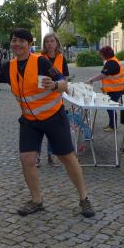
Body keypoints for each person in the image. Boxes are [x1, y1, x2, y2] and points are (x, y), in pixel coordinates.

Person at [0, 28, 96, 218]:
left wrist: (55, 85)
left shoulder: (41, 62)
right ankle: (36, 200)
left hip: (53, 117)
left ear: (29, 44)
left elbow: (63, 83)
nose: (17, 44)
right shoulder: (8, 67)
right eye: (14, 40)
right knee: (27, 159)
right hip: (29, 120)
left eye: (21, 41)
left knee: (67, 158)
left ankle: (84, 199)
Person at [39, 32, 69, 166]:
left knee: (53, 129)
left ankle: (51, 154)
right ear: (44, 44)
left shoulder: (62, 58)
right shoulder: (39, 58)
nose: (49, 44)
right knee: (38, 129)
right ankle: (37, 156)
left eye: (52, 41)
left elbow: (65, 77)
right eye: (47, 41)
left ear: (57, 43)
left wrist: (63, 88)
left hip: (56, 98)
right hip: (40, 97)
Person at [86, 46, 124, 131]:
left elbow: (103, 75)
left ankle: (113, 126)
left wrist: (91, 80)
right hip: (115, 89)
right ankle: (111, 125)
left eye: (101, 54)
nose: (100, 56)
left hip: (116, 89)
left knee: (110, 107)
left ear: (105, 54)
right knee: (110, 107)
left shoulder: (111, 63)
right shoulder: (112, 61)